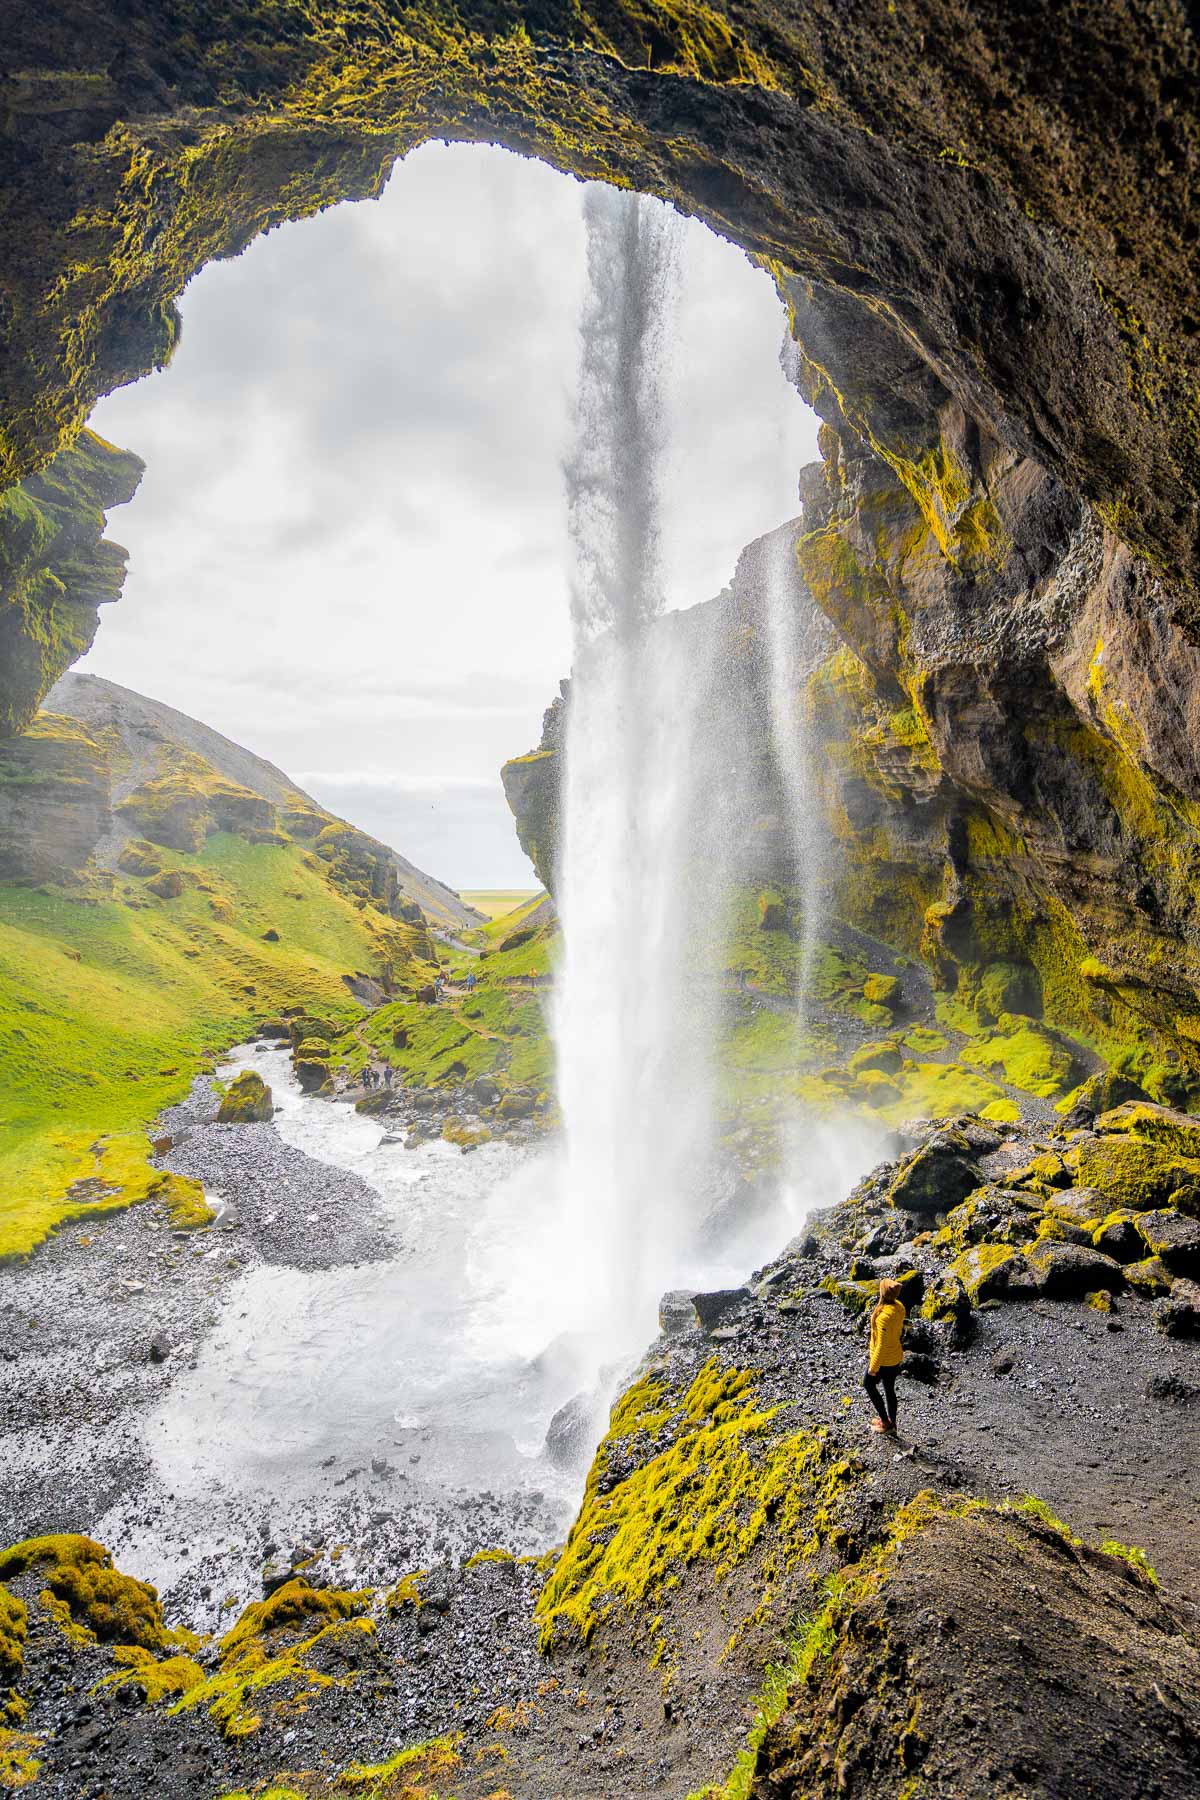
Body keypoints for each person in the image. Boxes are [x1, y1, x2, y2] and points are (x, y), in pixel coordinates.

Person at [863, 1277, 906, 1435]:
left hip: (884, 1360)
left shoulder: (883, 1318)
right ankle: (892, 1423)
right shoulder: (899, 1307)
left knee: (868, 1384)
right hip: (895, 1355)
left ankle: (885, 1422)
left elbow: (881, 1345)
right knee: (889, 1390)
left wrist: (873, 1367)